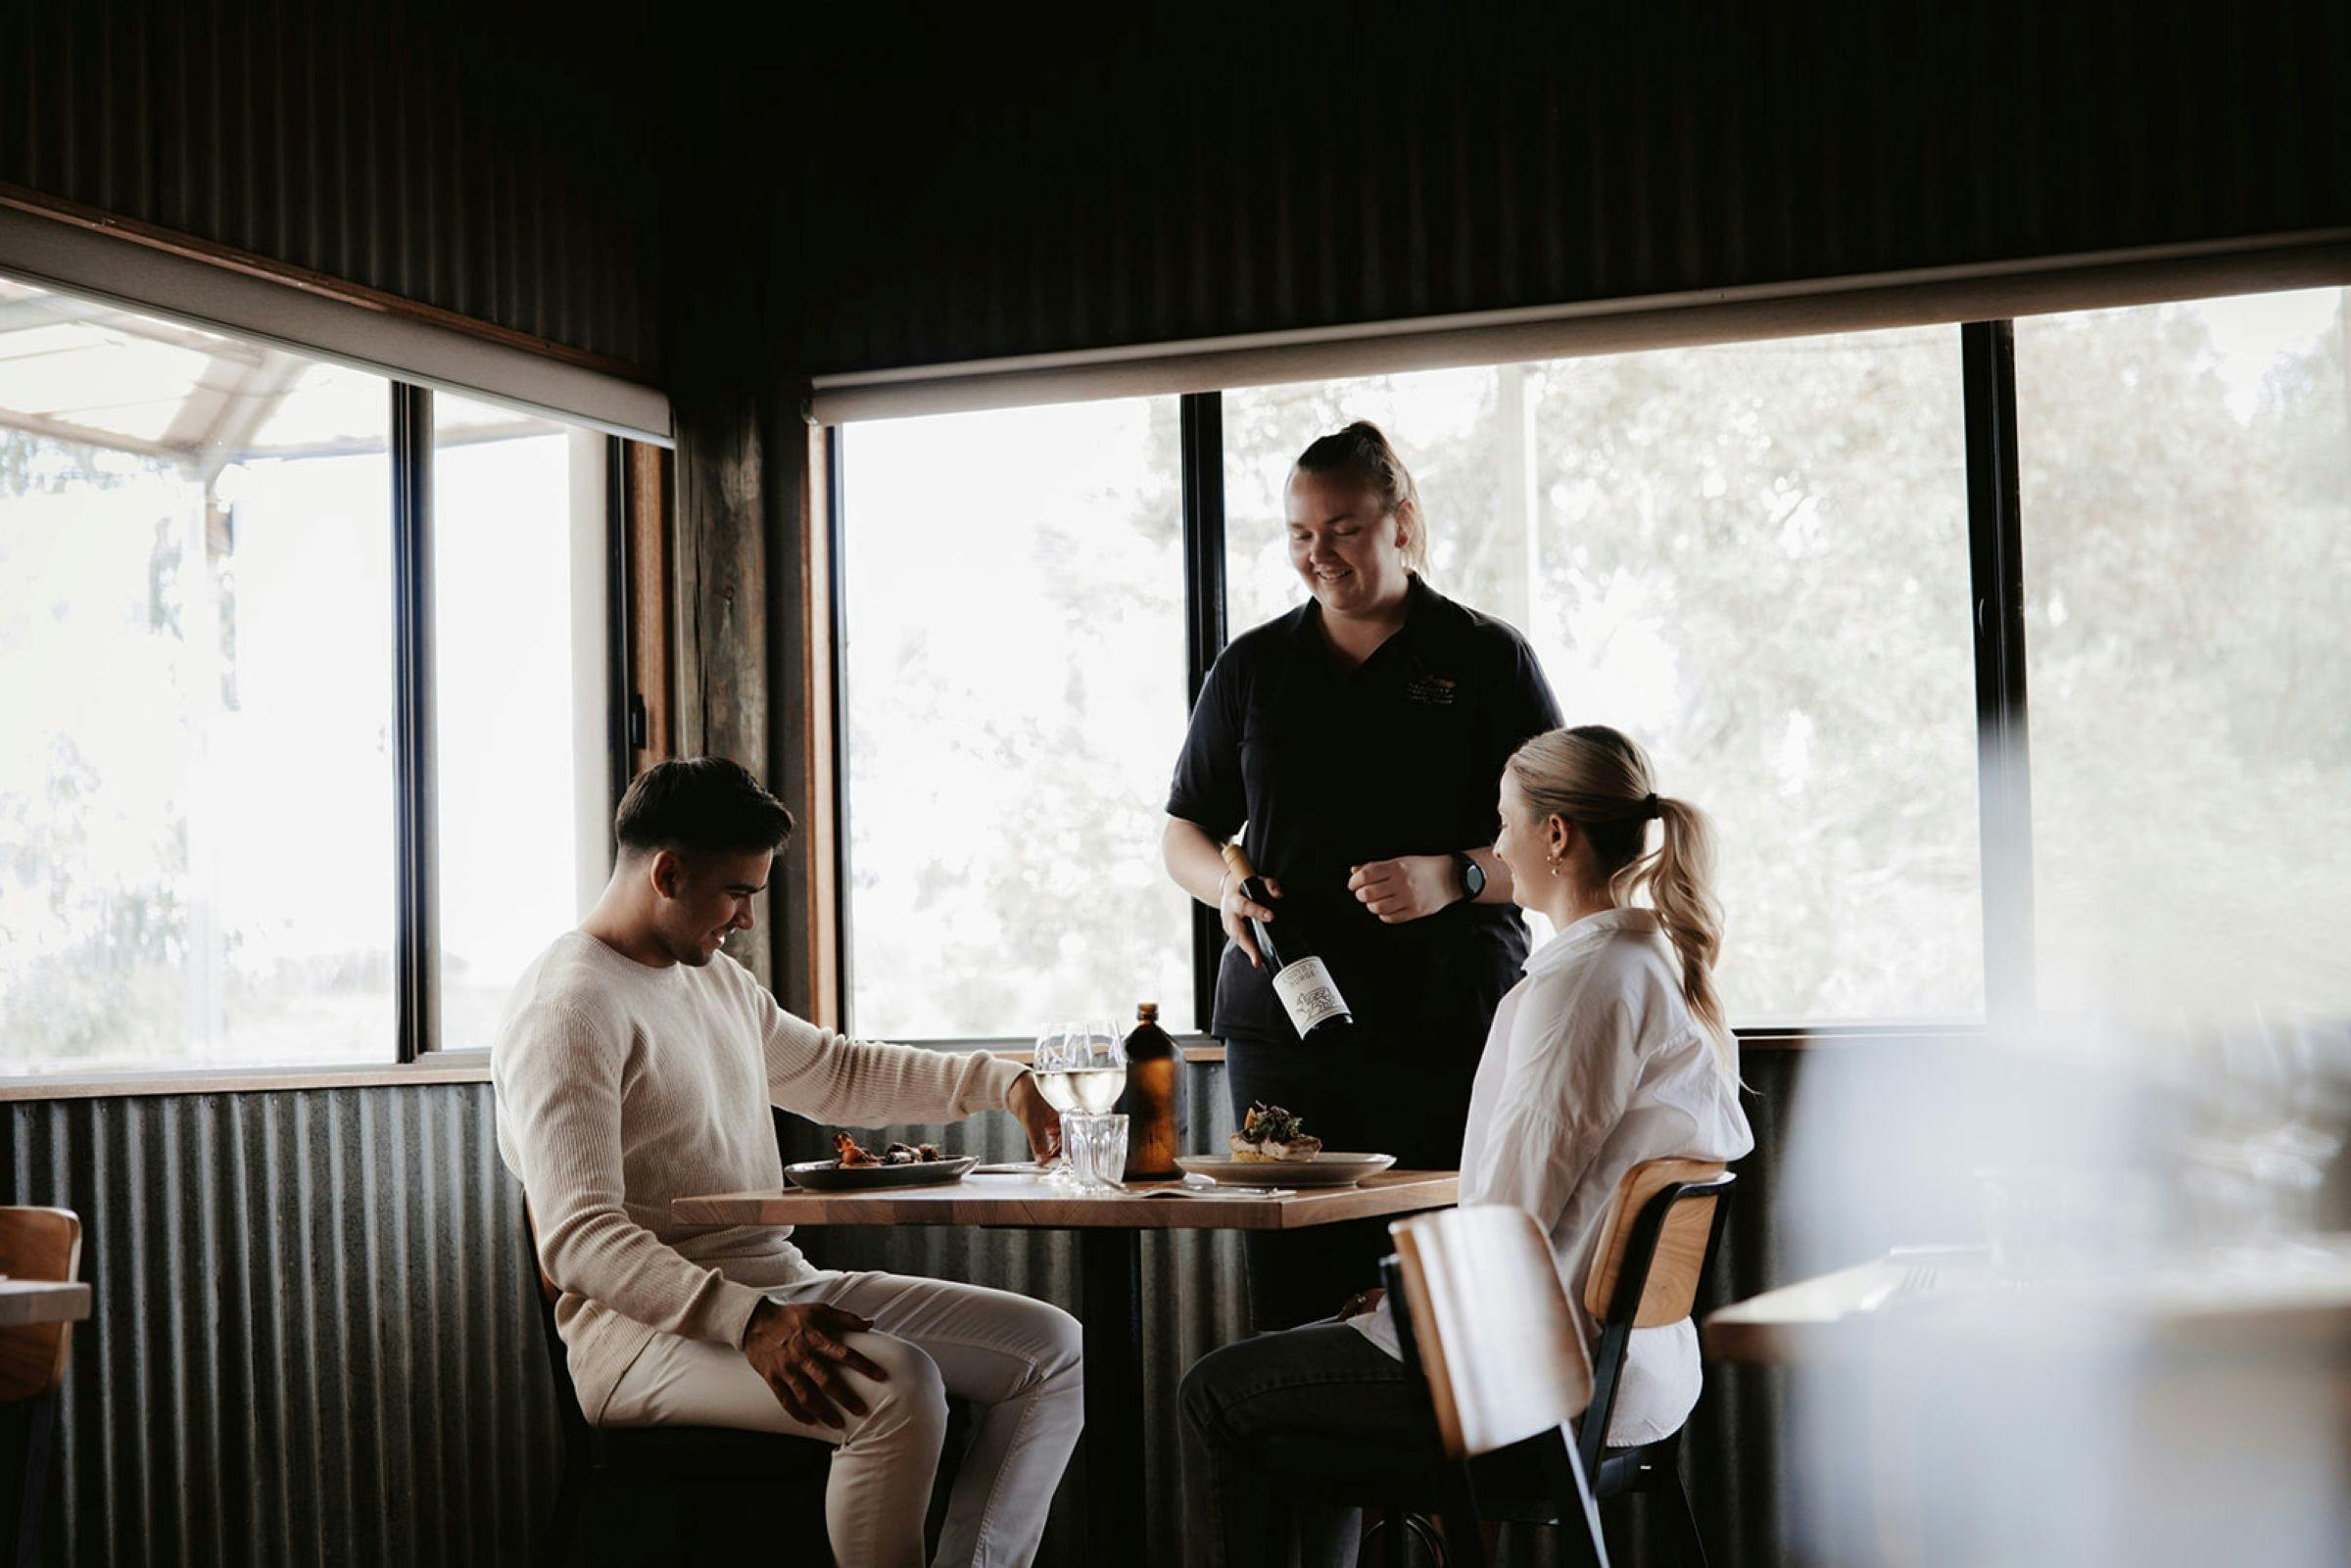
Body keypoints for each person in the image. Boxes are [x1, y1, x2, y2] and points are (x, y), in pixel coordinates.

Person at [1177, 724, 1754, 1567]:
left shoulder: (1584, 986)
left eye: (1505, 821)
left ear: (1555, 835)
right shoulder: (1651, 964)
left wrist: (1404, 1306)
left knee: (1217, 1390)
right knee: (1300, 1382)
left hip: (1539, 1376)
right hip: (1635, 1372)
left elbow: (1511, 1214)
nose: (1498, 846)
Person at [493, 757, 1081, 1568]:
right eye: (738, 893)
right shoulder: (570, 1004)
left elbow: (840, 1072)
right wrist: (751, 1321)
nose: (744, 919)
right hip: (640, 1337)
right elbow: (579, 1237)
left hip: (776, 1287)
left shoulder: (718, 984)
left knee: (1049, 1347)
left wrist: (998, 1080)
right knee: (896, 1385)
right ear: (668, 872)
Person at [1162, 420, 1564, 1330]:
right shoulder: (1254, 666)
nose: (1319, 554)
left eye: (1342, 527)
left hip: (1445, 1023)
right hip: (1283, 1027)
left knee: (1439, 1297)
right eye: (1300, 534)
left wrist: (1453, 876)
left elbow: (1560, 843)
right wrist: (1222, 888)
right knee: (1295, 1299)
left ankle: (1439, 1472)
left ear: (1402, 523)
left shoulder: (1484, 657)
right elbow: (1185, 829)